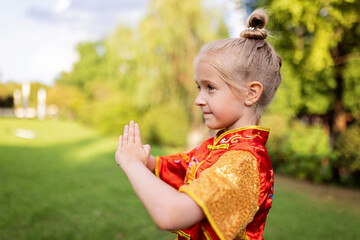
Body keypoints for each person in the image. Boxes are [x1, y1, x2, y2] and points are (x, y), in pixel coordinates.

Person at [115, 8, 282, 240]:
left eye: (210, 87)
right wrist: (145, 161)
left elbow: (170, 214)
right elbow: (182, 167)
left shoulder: (243, 161)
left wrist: (132, 165)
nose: (198, 100)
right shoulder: (221, 148)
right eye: (199, 87)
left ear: (251, 93)